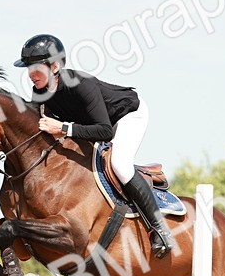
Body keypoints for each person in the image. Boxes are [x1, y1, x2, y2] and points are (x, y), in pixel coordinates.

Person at [13, 33, 172, 258]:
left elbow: (105, 131)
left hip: (126, 116)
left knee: (119, 164)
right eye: (28, 69)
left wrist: (64, 128)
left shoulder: (81, 85)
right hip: (93, 125)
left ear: (55, 66)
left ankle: (160, 229)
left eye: (36, 68)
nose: (31, 74)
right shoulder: (40, 92)